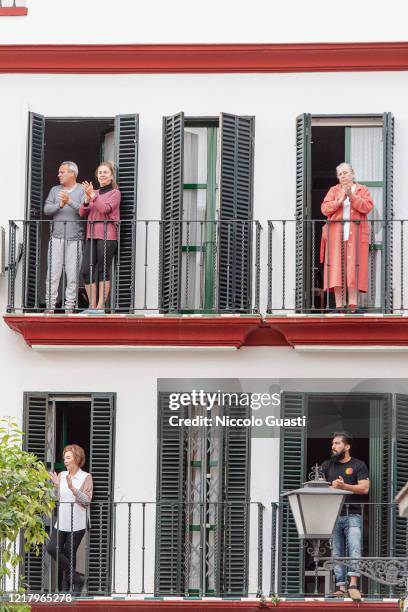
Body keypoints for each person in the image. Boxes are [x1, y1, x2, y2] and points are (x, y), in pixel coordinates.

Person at [320, 432, 369, 601]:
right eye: (332, 443)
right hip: (333, 514)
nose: (333, 446)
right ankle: (341, 587)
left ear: (347, 446)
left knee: (355, 547)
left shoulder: (358, 465)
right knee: (336, 551)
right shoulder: (326, 466)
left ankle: (353, 585)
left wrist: (343, 486)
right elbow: (318, 488)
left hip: (353, 513)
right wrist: (331, 488)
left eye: (337, 443)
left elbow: (364, 488)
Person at [320, 163, 374, 312]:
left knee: (354, 267)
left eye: (345, 173)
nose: (343, 176)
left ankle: (352, 305)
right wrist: (339, 201)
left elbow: (367, 207)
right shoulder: (334, 190)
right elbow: (324, 209)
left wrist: (351, 196)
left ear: (352, 174)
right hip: (336, 234)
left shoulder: (363, 190)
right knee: (336, 267)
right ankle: (339, 305)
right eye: (340, 174)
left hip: (355, 234)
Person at [47, 445, 93, 593]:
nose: (65, 460)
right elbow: (56, 498)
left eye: (68, 457)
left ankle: (67, 589)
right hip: (61, 521)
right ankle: (77, 578)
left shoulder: (86, 477)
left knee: (69, 553)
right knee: (52, 548)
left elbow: (86, 500)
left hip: (78, 522)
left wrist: (73, 488)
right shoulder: (61, 475)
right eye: (64, 457)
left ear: (77, 459)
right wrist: (55, 486)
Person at [44, 162, 85, 313]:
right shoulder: (55, 190)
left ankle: (69, 308)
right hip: (56, 238)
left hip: (75, 239)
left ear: (72, 173)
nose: (59, 175)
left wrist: (70, 202)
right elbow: (46, 209)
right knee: (52, 274)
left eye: (62, 172)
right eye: (59, 172)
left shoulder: (82, 190)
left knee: (72, 276)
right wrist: (59, 205)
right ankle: (50, 306)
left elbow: (84, 211)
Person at [79, 161, 121, 311]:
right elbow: (82, 212)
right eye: (100, 172)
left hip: (107, 235)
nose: (102, 175)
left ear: (111, 176)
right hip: (91, 235)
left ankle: (100, 306)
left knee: (103, 270)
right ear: (97, 176)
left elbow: (104, 209)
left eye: (105, 172)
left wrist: (92, 197)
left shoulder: (115, 193)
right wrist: (86, 198)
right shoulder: (94, 193)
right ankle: (92, 305)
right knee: (85, 270)